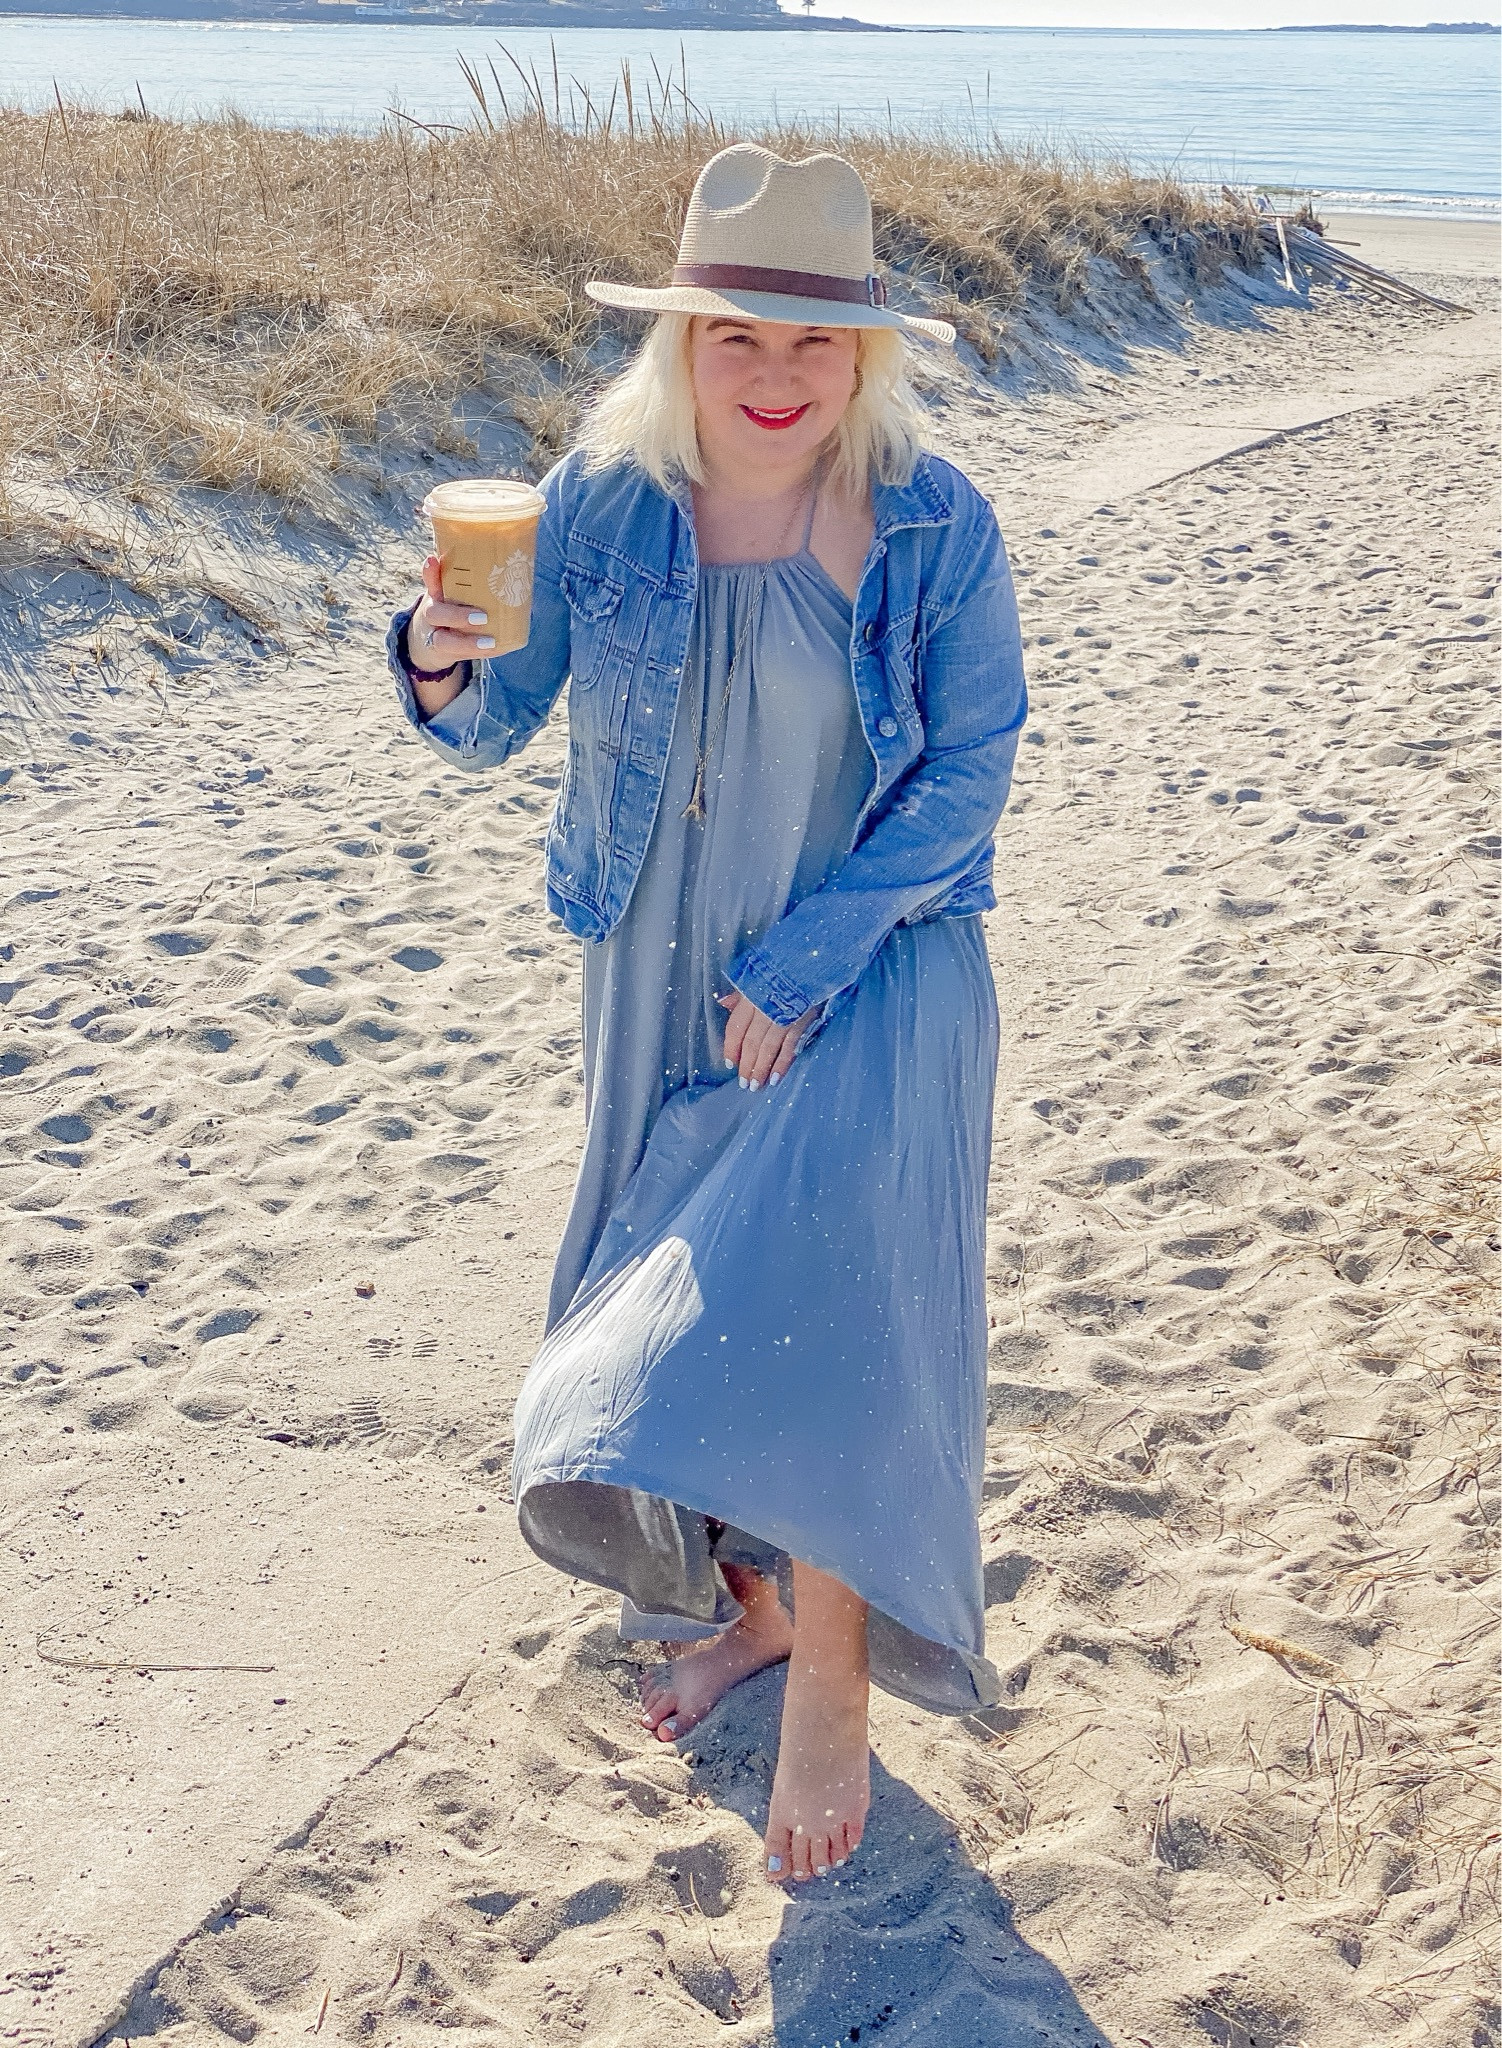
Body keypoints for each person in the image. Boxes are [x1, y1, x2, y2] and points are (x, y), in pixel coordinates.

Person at [387, 143, 1027, 1887]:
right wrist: (437, 658)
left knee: (828, 1315)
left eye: (810, 347)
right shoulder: (599, 502)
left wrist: (802, 966)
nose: (771, 375)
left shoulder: (932, 521)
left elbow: (967, 775)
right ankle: (749, 1606)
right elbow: (492, 719)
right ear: (680, 343)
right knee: (674, 1294)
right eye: (734, 336)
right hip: (657, 956)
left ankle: (834, 1679)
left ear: (866, 357)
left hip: (867, 964)